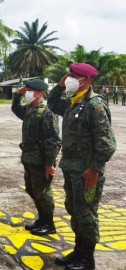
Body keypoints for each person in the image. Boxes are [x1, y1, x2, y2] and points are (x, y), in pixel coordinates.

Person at [48, 63, 116, 270]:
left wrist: (94, 169)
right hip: (71, 167)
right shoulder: (72, 102)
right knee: (75, 210)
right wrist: (59, 87)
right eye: (67, 75)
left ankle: (88, 259)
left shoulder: (95, 105)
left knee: (86, 214)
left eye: (72, 75)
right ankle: (79, 251)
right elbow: (52, 104)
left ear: (85, 80)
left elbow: (107, 144)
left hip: (86, 170)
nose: (67, 77)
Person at [12, 79, 61, 236]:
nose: (27, 92)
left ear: (39, 92)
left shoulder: (47, 111)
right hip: (29, 157)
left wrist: (49, 163)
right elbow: (15, 108)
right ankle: (42, 219)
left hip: (41, 159)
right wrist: (16, 95)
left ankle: (49, 223)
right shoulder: (29, 109)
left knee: (43, 191)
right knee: (32, 189)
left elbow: (53, 141)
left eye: (29, 89)